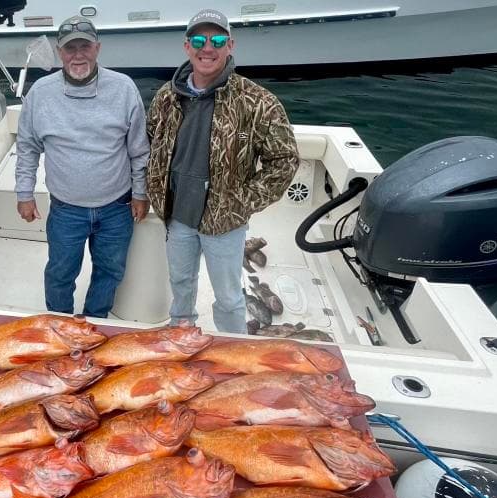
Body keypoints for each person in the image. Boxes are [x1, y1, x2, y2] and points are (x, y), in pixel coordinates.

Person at [146, 9, 298, 333]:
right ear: (187, 46)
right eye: (199, 39)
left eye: (216, 40)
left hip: (225, 224)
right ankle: (180, 341)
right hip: (178, 217)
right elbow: (149, 144)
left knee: (229, 298)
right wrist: (153, 193)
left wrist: (241, 202)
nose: (207, 48)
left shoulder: (258, 101)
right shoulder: (166, 96)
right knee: (181, 287)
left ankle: (236, 352)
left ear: (230, 45)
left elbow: (284, 160)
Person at [15, 16, 150, 318]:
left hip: (117, 206)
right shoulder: (40, 93)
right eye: (70, 48)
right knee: (60, 275)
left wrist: (141, 193)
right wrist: (24, 193)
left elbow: (139, 150)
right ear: (60, 53)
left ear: (97, 48)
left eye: (85, 46)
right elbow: (27, 147)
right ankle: (61, 326)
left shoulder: (124, 88)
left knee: (110, 272)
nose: (78, 55)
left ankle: (94, 324)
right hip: (66, 209)